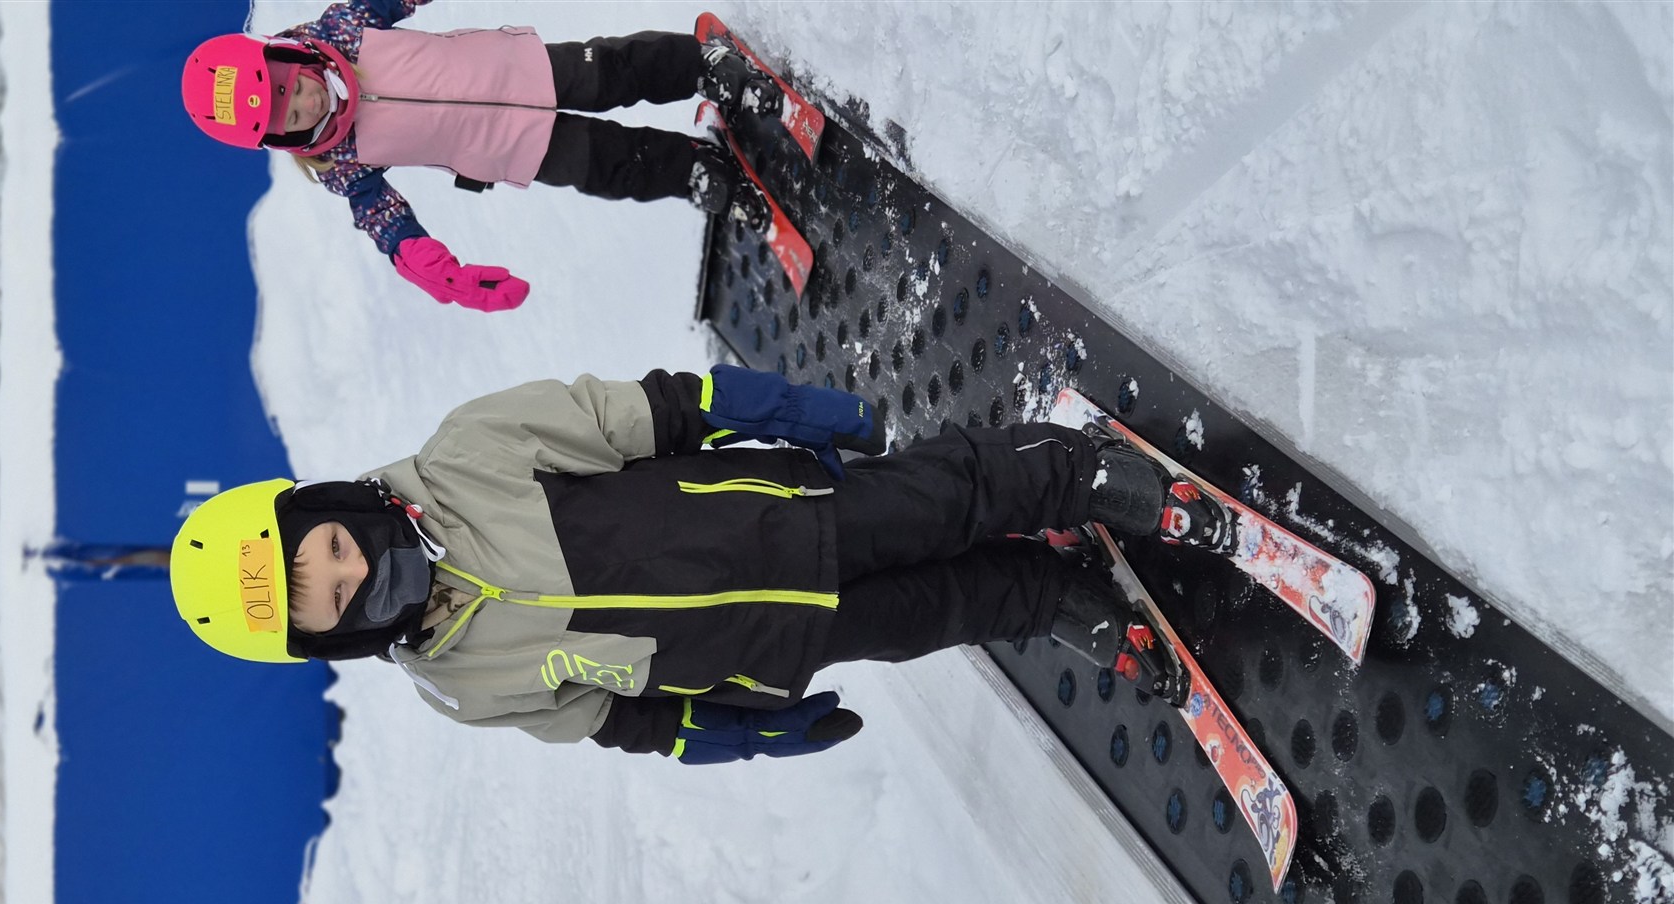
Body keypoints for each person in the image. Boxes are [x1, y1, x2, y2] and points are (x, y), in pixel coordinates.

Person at [169, 368, 1230, 762]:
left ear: (330, 505)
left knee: (935, 501)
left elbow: (631, 415)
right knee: (932, 613)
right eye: (335, 602)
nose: (358, 575)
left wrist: (764, 408)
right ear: (333, 641)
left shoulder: (466, 456)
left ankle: (1075, 474)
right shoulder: (459, 684)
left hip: (776, 521)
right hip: (766, 645)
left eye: (333, 549)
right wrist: (730, 733)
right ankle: (1047, 595)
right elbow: (604, 716)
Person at [180, 0, 783, 313]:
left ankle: (702, 69)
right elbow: (384, 219)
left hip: (525, 68)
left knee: (619, 69)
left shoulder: (346, 28)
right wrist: (437, 272)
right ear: (282, 140)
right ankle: (694, 170)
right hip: (512, 150)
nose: (306, 103)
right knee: (613, 166)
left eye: (292, 87)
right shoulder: (341, 162)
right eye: (291, 116)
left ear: (289, 57)